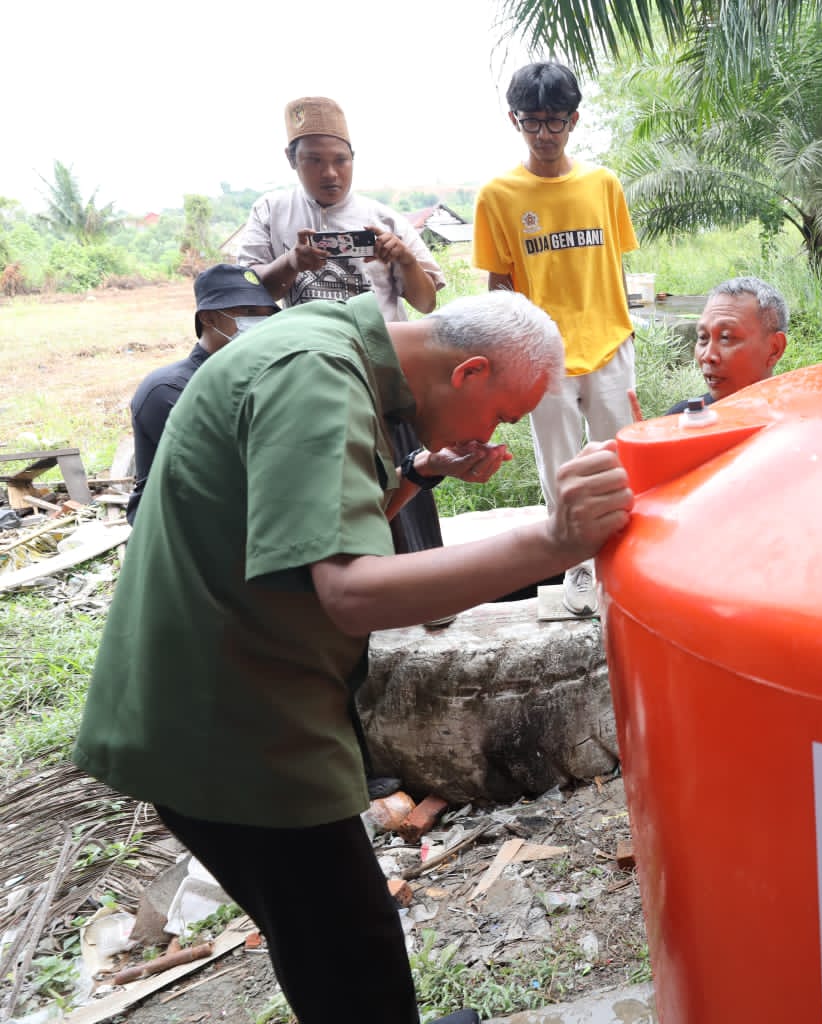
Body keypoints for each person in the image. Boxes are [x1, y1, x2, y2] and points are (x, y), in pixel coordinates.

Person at [72, 290, 632, 1024]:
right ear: (466, 372)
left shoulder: (328, 342)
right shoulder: (316, 378)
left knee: (330, 935)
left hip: (232, 702)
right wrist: (552, 543)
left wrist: (420, 473)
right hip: (228, 729)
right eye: (502, 414)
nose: (499, 431)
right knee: (349, 953)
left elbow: (306, 540)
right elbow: (349, 591)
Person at [236, 96, 450, 559]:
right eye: (313, 161)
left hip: (383, 384)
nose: (330, 173)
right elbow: (246, 293)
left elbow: (426, 299)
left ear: (354, 160)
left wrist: (405, 258)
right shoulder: (272, 212)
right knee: (326, 498)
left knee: (403, 486)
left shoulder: (383, 219)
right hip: (305, 383)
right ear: (291, 161)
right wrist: (292, 261)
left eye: (340, 160)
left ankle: (422, 587)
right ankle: (351, 599)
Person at [473, 62, 639, 616]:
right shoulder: (498, 195)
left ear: (574, 120)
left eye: (555, 122)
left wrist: (624, 329)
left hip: (610, 343)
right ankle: (579, 563)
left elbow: (611, 264)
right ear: (513, 120)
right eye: (532, 122)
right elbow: (499, 285)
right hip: (543, 355)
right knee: (561, 464)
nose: (544, 135)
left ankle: (630, 555)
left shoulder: (603, 184)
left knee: (621, 454)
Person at [126, 265, 278, 525]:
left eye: (267, 314)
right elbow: (213, 475)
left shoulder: (260, 378)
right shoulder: (168, 390)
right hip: (175, 526)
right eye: (248, 312)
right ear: (208, 318)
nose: (260, 323)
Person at [665, 276, 788, 415]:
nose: (708, 356)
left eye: (726, 337)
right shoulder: (682, 420)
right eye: (703, 338)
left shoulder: (801, 423)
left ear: (774, 349)